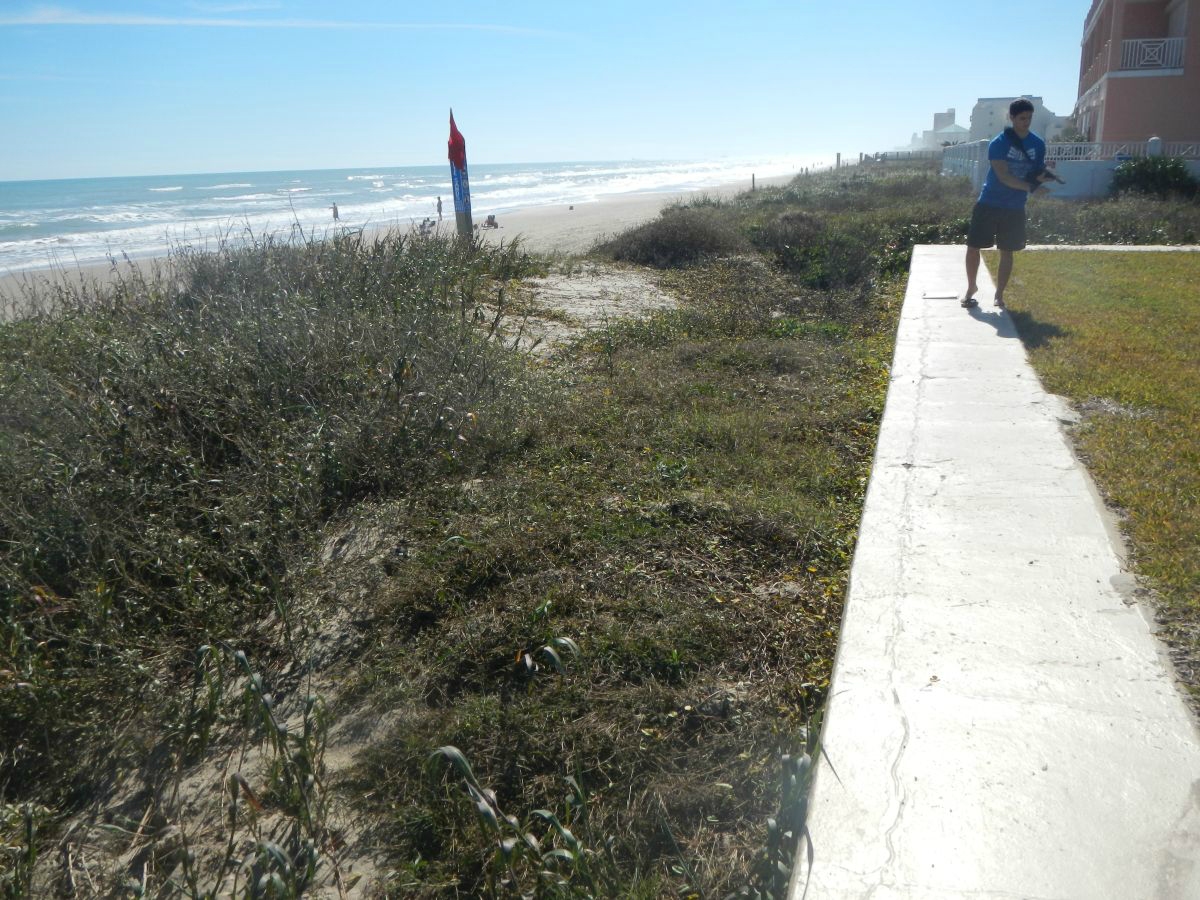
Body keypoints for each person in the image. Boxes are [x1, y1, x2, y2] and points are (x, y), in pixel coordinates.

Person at [963, 97, 1054, 309]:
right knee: (973, 247)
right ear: (1011, 117)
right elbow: (1003, 176)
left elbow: (1033, 173)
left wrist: (1043, 178)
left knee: (1007, 250)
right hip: (989, 202)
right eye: (1022, 118)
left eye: (1029, 118)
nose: (1026, 122)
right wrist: (1032, 188)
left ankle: (999, 294)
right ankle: (971, 287)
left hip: (1014, 206)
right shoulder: (999, 143)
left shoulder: (1038, 144)